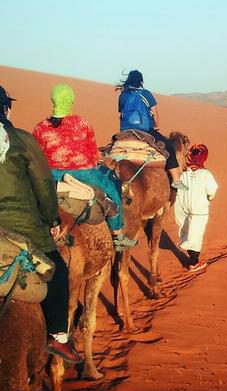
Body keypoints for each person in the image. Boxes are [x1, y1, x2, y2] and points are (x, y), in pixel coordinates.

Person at [0, 85, 81, 363]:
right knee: (57, 271)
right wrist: (51, 218)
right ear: (6, 109)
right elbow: (45, 187)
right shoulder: (21, 140)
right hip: (21, 227)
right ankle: (58, 337)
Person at [33, 84, 137, 251]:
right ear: (71, 101)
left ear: (53, 100)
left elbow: (36, 155)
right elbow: (93, 153)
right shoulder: (82, 124)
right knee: (113, 191)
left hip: (52, 175)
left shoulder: (41, 127)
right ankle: (117, 235)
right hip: (84, 173)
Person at [116, 70, 186, 190]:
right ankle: (176, 180)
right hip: (145, 129)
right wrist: (156, 126)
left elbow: (121, 114)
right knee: (169, 147)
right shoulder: (146, 94)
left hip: (126, 130)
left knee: (110, 147)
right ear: (141, 81)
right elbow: (154, 112)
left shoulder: (123, 96)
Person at [174, 144, 218, 273]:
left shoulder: (182, 172)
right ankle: (193, 263)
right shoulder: (206, 174)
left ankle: (190, 256)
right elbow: (212, 190)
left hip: (182, 207)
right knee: (196, 235)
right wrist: (210, 198)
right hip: (198, 209)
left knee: (186, 231)